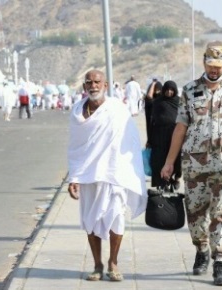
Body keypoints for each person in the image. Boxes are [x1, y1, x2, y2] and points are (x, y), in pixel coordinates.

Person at [160, 41, 222, 286]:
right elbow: (180, 128)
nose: (214, 69)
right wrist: (169, 162)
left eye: (218, 65)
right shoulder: (190, 90)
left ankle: (220, 262)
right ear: (203, 61)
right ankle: (202, 249)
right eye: (210, 64)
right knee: (195, 215)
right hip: (194, 165)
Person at [67, 69, 147, 282]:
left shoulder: (117, 110)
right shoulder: (77, 112)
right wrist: (74, 177)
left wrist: (129, 173)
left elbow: (130, 142)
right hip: (88, 176)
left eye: (97, 82)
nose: (93, 86)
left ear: (105, 84)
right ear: (84, 86)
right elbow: (76, 148)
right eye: (89, 82)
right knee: (90, 219)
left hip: (114, 173)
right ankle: (97, 264)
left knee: (116, 218)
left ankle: (113, 262)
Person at [147, 80, 181, 190]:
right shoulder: (158, 102)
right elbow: (151, 120)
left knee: (176, 159)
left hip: (175, 134)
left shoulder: (179, 102)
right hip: (159, 135)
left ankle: (175, 179)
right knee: (158, 160)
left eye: (172, 90)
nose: (169, 92)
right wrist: (150, 139)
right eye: (167, 90)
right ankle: (162, 182)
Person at [144, 79, 163, 143]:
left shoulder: (163, 101)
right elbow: (149, 97)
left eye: (158, 90)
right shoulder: (150, 103)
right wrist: (153, 84)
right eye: (155, 90)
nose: (157, 92)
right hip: (152, 132)